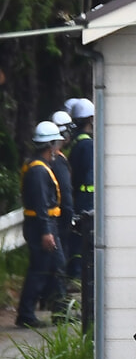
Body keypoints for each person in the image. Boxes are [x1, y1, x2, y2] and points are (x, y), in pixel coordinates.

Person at [16, 121, 68, 329]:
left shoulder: (37, 165)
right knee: (40, 269)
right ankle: (26, 314)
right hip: (42, 227)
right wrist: (47, 231)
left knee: (56, 265)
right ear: (51, 145)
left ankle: (61, 312)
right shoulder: (38, 171)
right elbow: (40, 204)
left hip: (42, 225)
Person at [67, 98, 94, 327]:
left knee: (77, 240)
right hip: (86, 198)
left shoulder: (77, 142)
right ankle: (75, 275)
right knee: (82, 240)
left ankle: (74, 273)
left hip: (80, 196)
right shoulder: (87, 144)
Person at [49, 110, 77, 295]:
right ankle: (59, 303)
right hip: (59, 219)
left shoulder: (48, 160)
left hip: (51, 219)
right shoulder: (58, 162)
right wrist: (69, 216)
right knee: (58, 261)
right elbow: (65, 193)